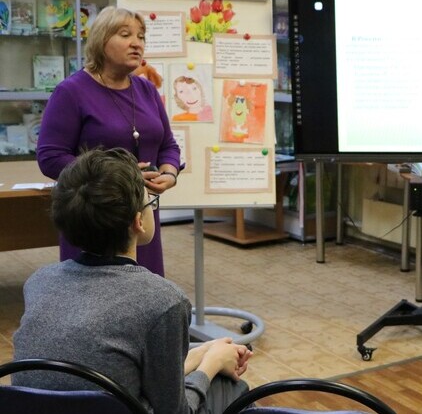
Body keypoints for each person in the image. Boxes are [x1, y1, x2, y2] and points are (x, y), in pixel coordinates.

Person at [13, 147, 252, 414]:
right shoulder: (164, 301)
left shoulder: (39, 282)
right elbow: (174, 411)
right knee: (231, 388)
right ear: (139, 221)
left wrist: (202, 353)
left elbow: (113, 371)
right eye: (151, 202)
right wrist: (211, 365)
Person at [36, 6, 180, 277]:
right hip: (93, 216)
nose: (136, 43)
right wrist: (115, 176)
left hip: (141, 217)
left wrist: (169, 173)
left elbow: (168, 146)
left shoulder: (147, 90)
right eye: (125, 35)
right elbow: (50, 157)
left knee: (144, 290)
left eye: (141, 37)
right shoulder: (71, 91)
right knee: (94, 295)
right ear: (101, 40)